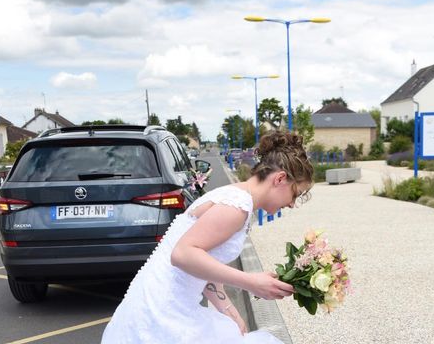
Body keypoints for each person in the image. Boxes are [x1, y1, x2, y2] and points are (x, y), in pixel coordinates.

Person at [101, 131, 314, 344]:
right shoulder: (237, 205)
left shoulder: (235, 197)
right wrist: (251, 282)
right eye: (295, 194)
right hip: (163, 314)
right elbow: (183, 254)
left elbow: (203, 262)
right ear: (280, 179)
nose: (292, 204)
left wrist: (227, 307)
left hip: (159, 305)